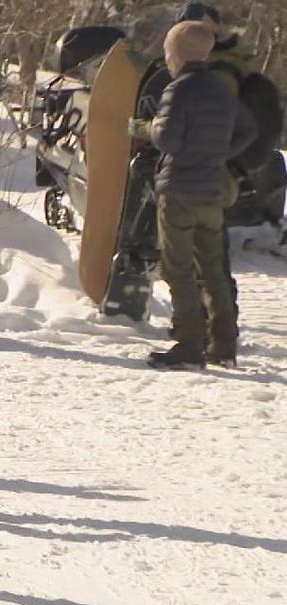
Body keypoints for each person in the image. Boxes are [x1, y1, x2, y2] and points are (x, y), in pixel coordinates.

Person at [132, 21, 255, 368]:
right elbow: (248, 130)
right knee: (213, 268)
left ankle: (188, 344)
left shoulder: (178, 89)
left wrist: (150, 126)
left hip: (180, 189)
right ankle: (224, 345)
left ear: (176, 55)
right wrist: (216, 152)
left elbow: (168, 139)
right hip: (212, 190)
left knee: (178, 267)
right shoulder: (221, 90)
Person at [173, 2, 261, 353]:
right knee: (208, 260)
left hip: (203, 177)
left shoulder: (216, 71)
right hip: (215, 175)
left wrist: (214, 156)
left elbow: (219, 126)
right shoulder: (220, 66)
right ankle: (219, 338)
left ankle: (204, 337)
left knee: (199, 261)